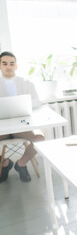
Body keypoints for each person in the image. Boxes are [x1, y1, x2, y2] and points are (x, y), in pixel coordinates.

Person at [0, 51, 45, 183]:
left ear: (16, 66)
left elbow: (37, 102)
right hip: (2, 128)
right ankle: (4, 163)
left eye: (12, 64)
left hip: (22, 125)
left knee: (40, 138)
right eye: (5, 63)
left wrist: (25, 104)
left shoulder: (26, 83)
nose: (8, 66)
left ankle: (21, 164)